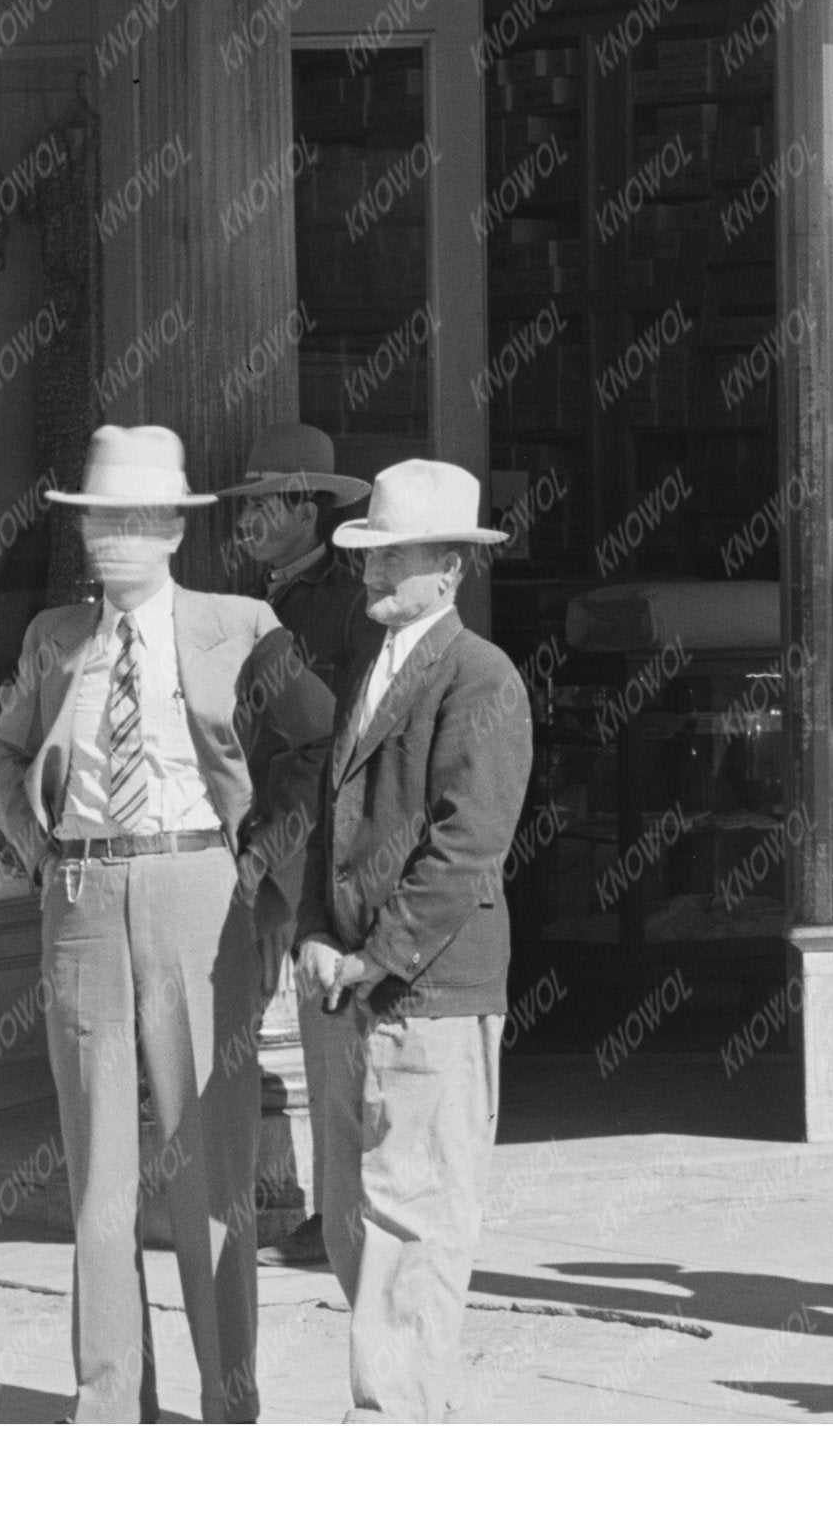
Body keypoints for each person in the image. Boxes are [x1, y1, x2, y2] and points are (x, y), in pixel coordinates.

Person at [0, 418, 279, 1423]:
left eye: (137, 518)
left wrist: (261, 867)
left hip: (195, 885)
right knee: (98, 1167)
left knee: (210, 1157)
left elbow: (311, 749)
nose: (116, 537)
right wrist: (41, 854)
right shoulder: (55, 636)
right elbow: (7, 751)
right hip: (81, 893)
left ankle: (228, 1401)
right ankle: (109, 1403)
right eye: (100, 518)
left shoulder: (240, 625)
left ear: (174, 530)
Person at [288, 455, 533, 1418]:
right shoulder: (373, 666)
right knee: (356, 1221)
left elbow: (466, 846)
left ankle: (391, 1423)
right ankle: (411, 1410)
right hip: (348, 984)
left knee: (414, 1219)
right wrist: (314, 931)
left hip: (427, 991)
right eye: (370, 553)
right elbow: (329, 815)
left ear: (452, 568)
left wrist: (373, 956)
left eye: (399, 554)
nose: (376, 570)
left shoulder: (480, 676)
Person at [220, 421, 373, 1259]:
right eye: (243, 506)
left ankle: (339, 1213)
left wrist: (273, 844)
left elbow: (336, 743)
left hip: (308, 851)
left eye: (266, 504)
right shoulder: (243, 602)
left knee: (327, 1041)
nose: (247, 521)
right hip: (247, 842)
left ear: (309, 509)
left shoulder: (346, 603)